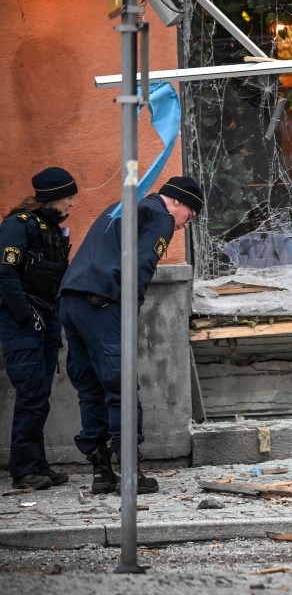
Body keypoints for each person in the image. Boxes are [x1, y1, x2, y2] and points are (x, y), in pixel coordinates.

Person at [59, 176, 203, 494]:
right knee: (121, 385)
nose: (183, 226)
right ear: (177, 201)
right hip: (103, 303)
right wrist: (129, 313)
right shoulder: (160, 216)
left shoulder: (122, 206)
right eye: (189, 217)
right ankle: (128, 472)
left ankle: (101, 471)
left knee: (90, 386)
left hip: (70, 300)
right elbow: (141, 267)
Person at [0, 167, 78, 490]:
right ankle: (24, 471)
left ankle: (37, 465)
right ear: (52, 197)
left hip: (44, 319)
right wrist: (25, 316)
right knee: (31, 394)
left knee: (40, 396)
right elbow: (5, 274)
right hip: (24, 322)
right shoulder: (18, 226)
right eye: (68, 198)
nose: (71, 204)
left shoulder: (50, 228)